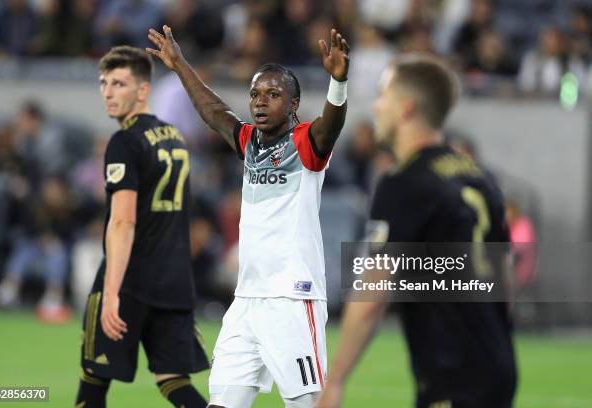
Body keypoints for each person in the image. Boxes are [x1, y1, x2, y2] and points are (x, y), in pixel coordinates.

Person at [146, 24, 349, 407]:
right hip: (247, 300)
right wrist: (179, 65)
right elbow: (213, 111)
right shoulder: (250, 143)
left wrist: (338, 83)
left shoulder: (306, 144)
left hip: (291, 298)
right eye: (255, 94)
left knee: (308, 403)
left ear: (292, 105)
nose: (260, 101)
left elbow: (331, 126)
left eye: (273, 94)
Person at [317, 55, 517, 408]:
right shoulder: (479, 176)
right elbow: (505, 279)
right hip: (498, 365)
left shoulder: (404, 182)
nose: (375, 107)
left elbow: (372, 293)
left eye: (383, 96)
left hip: (453, 372)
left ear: (406, 108)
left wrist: (335, 382)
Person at [75, 45, 208, 408]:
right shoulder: (176, 138)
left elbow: (123, 221)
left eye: (119, 83)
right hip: (174, 280)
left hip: (130, 281)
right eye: (104, 83)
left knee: (92, 383)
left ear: (143, 90)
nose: (108, 92)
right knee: (174, 381)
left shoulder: (124, 142)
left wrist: (111, 292)